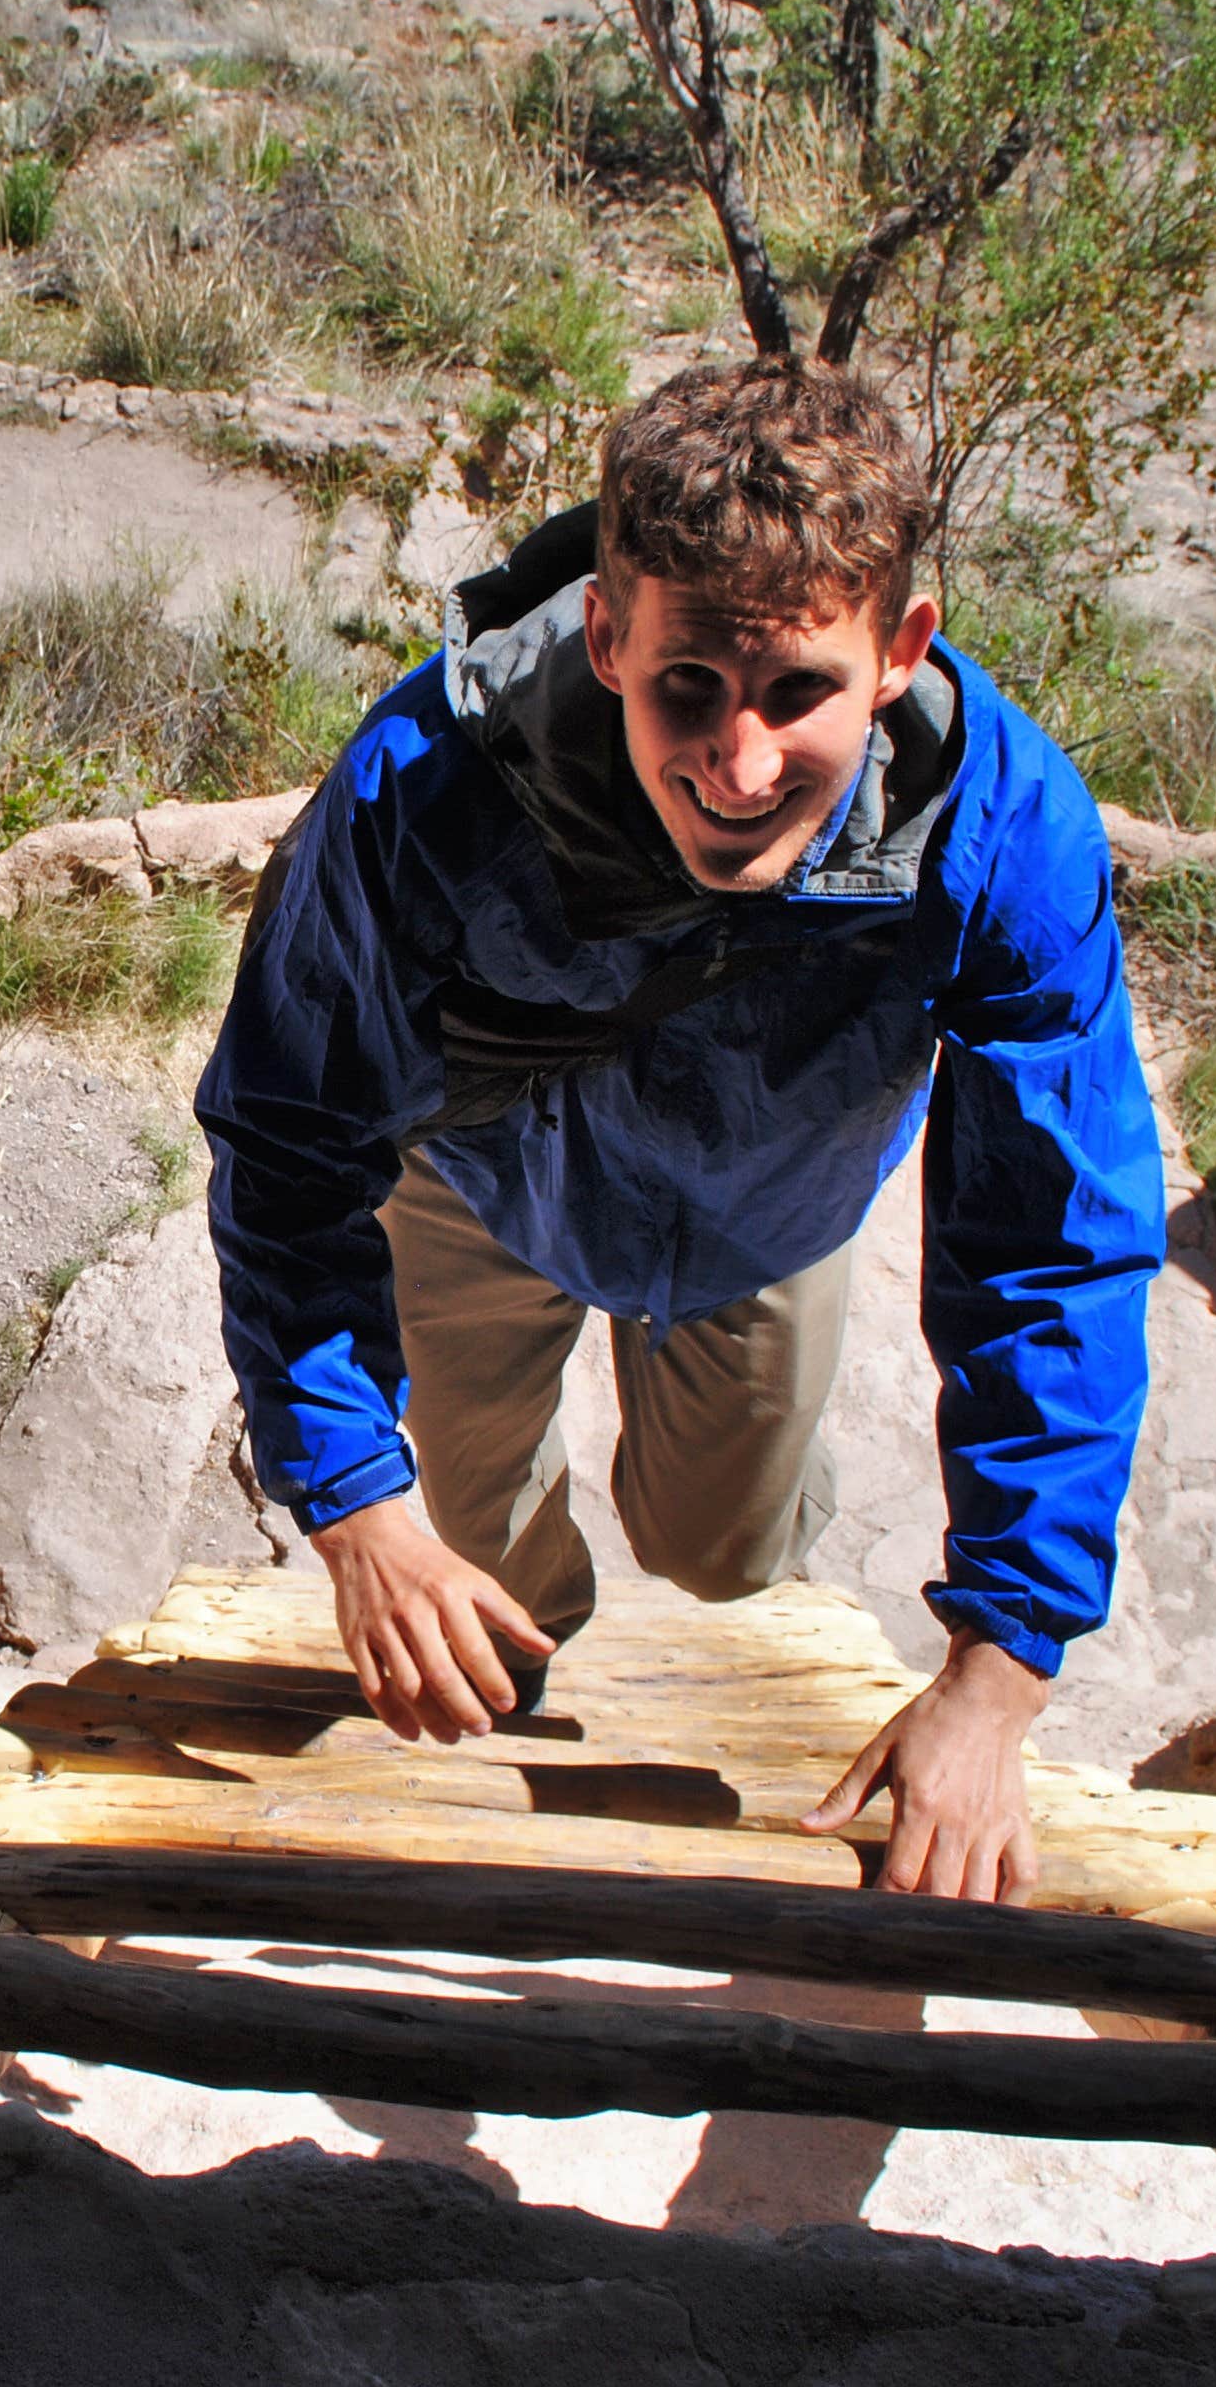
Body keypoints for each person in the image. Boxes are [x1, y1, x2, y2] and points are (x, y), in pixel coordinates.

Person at [194, 358, 1163, 1905]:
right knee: (477, 1597)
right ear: (608, 633)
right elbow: (293, 1136)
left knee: (723, 1555)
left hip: (763, 1216)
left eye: (799, 694)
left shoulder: (1000, 836)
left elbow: (1050, 1244)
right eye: (688, 689)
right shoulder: (428, 787)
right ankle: (529, 1614)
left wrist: (1002, 1672)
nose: (740, 763)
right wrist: (357, 1509)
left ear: (900, 653)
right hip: (479, 1185)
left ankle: (698, 1542)